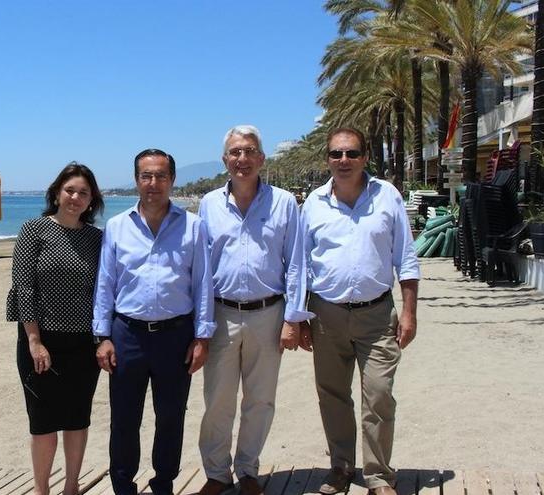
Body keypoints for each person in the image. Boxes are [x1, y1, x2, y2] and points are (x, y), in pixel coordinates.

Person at [299, 128, 420, 495]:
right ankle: (341, 468)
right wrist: (299, 317)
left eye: (351, 154)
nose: (343, 161)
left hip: (377, 315)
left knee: (379, 395)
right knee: (332, 396)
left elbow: (406, 258)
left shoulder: (387, 196)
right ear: (327, 159)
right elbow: (301, 266)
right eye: (336, 154)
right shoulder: (314, 204)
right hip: (325, 315)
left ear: (365, 157)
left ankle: (379, 475)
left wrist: (410, 313)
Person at [196, 125, 313, 495]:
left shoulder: (283, 204)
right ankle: (217, 473)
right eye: (235, 152)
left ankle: (247, 469)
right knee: (217, 400)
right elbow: (200, 268)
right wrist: (200, 323)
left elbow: (296, 263)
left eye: (249, 151)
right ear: (225, 160)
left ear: (261, 158)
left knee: (260, 399)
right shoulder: (208, 205)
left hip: (269, 314)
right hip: (221, 314)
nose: (242, 159)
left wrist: (294, 318)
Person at [93, 148, 215, 495]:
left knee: (171, 416)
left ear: (172, 180)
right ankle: (122, 484)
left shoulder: (193, 226)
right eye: (146, 176)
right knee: (124, 418)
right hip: (127, 333)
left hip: (176, 335)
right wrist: (102, 335)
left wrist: (202, 337)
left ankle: (163, 483)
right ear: (136, 180)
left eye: (161, 176)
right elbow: (106, 283)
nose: (153, 183)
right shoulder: (117, 227)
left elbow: (202, 284)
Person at [5, 162, 105, 495]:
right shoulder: (34, 230)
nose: (76, 198)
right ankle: (41, 489)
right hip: (40, 341)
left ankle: (72, 487)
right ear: (57, 193)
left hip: (83, 344)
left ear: (92, 200)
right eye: (70, 190)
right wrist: (34, 340)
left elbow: (105, 289)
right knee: (43, 422)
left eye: (84, 193)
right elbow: (24, 287)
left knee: (78, 418)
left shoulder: (96, 238)